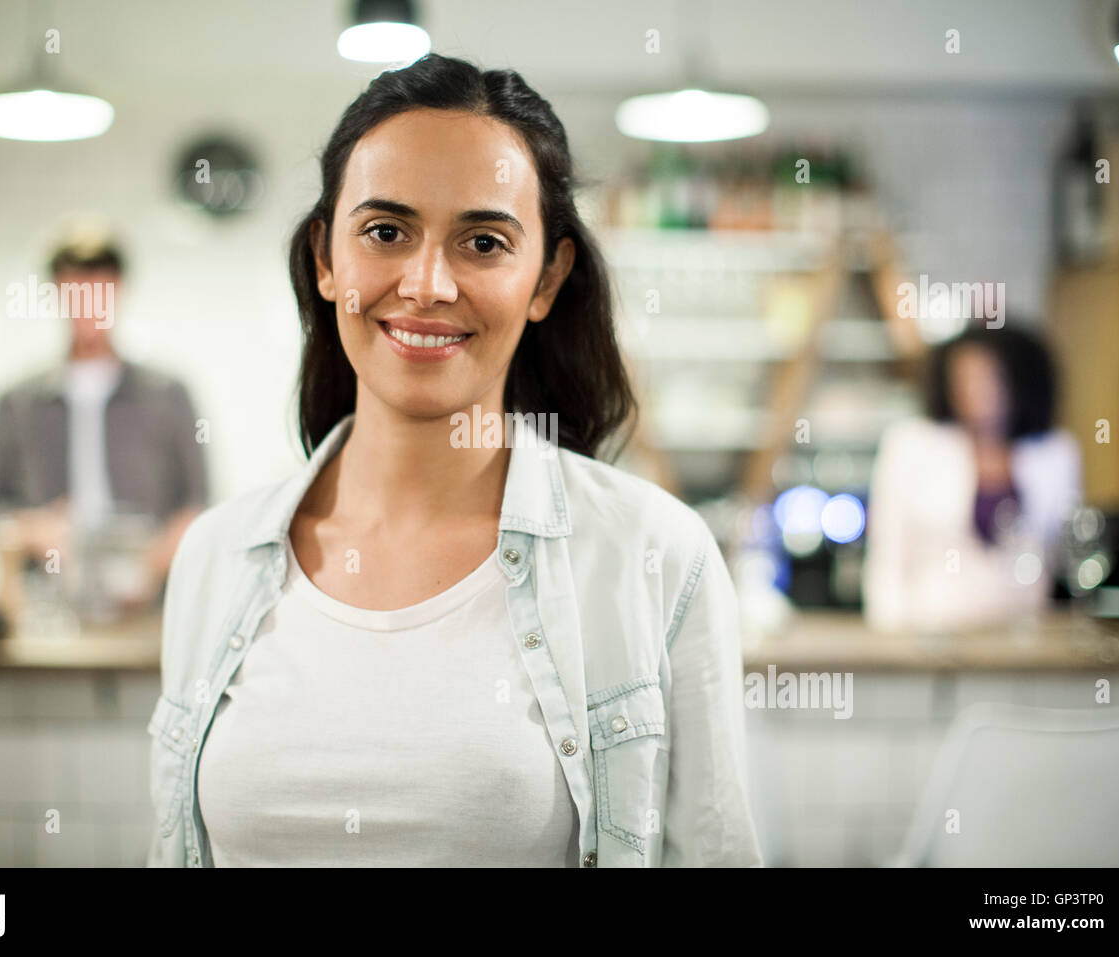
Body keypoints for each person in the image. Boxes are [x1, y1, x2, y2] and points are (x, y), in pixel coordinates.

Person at [147, 54, 762, 867]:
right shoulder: (215, 558)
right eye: (386, 232)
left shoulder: (653, 557)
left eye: (482, 241)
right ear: (326, 259)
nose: (428, 284)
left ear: (547, 277)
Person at [0, 228, 208, 607]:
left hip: (151, 613)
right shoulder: (16, 404)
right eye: (76, 289)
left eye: (100, 289)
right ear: (56, 292)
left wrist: (150, 565)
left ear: (120, 291)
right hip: (45, 611)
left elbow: (198, 504)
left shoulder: (169, 396)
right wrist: (33, 529)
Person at [862, 320, 1083, 633]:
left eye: (987, 377)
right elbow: (886, 554)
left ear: (1017, 381)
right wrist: (889, 636)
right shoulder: (912, 444)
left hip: (1024, 631)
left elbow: (1069, 554)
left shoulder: (1055, 453)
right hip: (930, 631)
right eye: (963, 378)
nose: (973, 390)